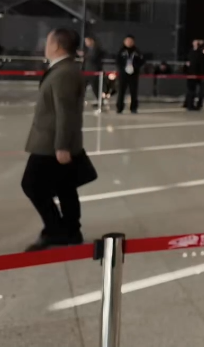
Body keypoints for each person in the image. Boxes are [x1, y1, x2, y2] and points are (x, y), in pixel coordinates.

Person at [21, 28, 97, 251]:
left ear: (56, 45)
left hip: (51, 143)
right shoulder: (64, 69)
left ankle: (55, 229)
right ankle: (71, 231)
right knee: (65, 186)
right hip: (54, 140)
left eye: (48, 42)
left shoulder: (64, 72)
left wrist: (62, 146)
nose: (45, 46)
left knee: (32, 185)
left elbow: (66, 113)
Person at [115, 35, 144, 114]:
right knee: (121, 91)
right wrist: (123, 68)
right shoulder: (121, 51)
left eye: (130, 41)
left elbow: (142, 61)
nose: (129, 42)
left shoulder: (137, 51)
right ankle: (119, 107)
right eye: (127, 41)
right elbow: (118, 61)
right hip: (123, 74)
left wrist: (135, 67)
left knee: (133, 91)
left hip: (134, 74)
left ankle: (133, 108)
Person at [79, 36, 105, 107]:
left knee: (95, 88)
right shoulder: (87, 50)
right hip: (86, 71)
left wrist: (84, 55)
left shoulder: (97, 49)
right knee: (82, 87)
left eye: (87, 41)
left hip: (94, 71)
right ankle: (80, 101)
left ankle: (100, 101)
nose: (86, 43)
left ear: (92, 41)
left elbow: (93, 58)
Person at [184, 39, 204, 110]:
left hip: (199, 74)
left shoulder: (201, 52)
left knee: (199, 90)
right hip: (191, 73)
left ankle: (198, 104)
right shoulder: (191, 52)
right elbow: (188, 62)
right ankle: (189, 104)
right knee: (191, 90)